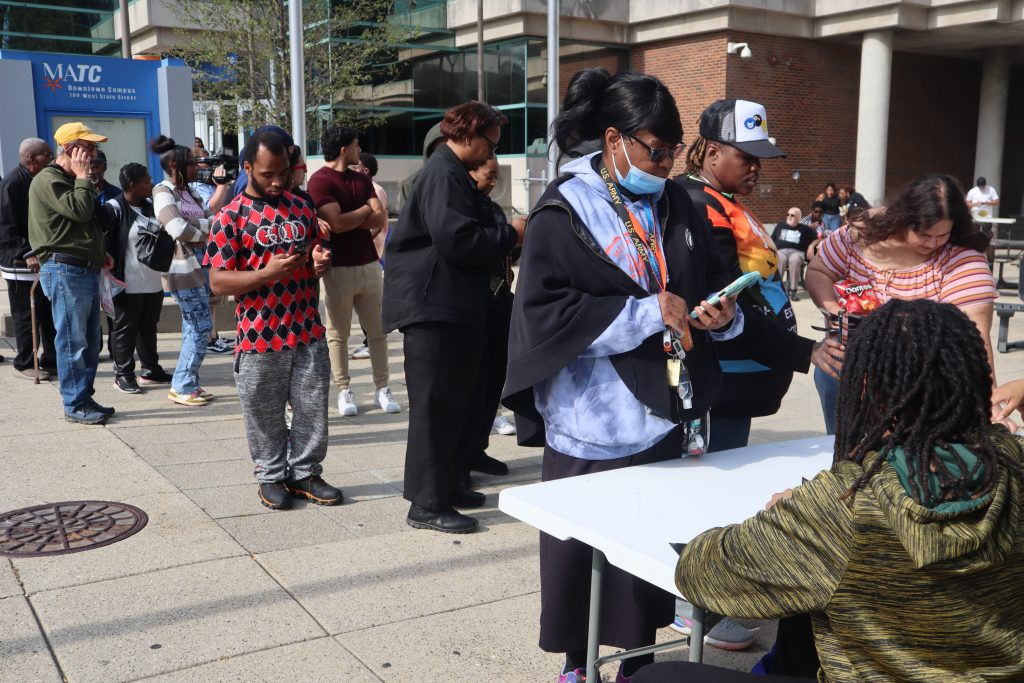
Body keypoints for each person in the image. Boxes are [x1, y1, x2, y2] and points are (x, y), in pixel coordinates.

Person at [634, 298, 1024, 683]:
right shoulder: (1014, 462)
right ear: (973, 376)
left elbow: (702, 575)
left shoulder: (842, 507)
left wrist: (787, 519)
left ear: (865, 386)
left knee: (655, 676)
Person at [501, 69, 739, 683]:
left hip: (659, 407)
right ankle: (577, 664)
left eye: (671, 154)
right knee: (580, 552)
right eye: (654, 152)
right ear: (614, 139)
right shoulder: (565, 208)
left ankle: (634, 659)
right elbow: (548, 313)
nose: (664, 166)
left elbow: (699, 279)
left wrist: (717, 312)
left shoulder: (678, 199)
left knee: (641, 554)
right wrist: (643, 313)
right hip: (592, 414)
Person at [675, 98, 843, 651]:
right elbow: (725, 302)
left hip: (744, 377)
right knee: (707, 494)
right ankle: (692, 604)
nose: (755, 167)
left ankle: (706, 596)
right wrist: (803, 352)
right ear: (710, 150)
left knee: (722, 488)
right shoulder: (696, 206)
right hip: (720, 375)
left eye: (761, 158)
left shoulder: (724, 201)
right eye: (745, 155)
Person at [384, 101, 521, 535]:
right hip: (433, 309)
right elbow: (457, 239)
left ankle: (446, 487)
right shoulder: (442, 174)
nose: (492, 154)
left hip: (452, 306)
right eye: (489, 144)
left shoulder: (451, 175)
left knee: (453, 406)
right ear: (465, 135)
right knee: (434, 410)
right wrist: (509, 234)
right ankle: (426, 504)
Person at [206, 128, 341, 510]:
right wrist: (266, 273)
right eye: (268, 174)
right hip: (260, 335)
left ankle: (305, 474)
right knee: (263, 411)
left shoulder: (302, 208)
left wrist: (319, 262)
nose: (278, 181)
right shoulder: (229, 218)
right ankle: (270, 476)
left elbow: (315, 254)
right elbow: (217, 280)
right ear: (247, 168)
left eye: (284, 172)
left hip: (306, 330)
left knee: (312, 407)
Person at [806, 173, 998, 434]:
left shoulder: (962, 258)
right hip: (842, 372)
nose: (932, 244)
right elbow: (819, 271)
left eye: (942, 235)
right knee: (844, 456)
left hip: (915, 388)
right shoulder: (861, 233)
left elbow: (976, 336)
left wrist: (987, 401)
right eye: (923, 234)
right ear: (901, 219)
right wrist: (835, 312)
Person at [307, 126, 399, 416]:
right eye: (357, 145)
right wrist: (362, 211)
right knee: (338, 334)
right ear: (344, 148)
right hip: (338, 269)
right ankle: (344, 389)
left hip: (370, 264)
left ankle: (382, 388)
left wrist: (353, 216)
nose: (361, 150)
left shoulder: (361, 178)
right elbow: (336, 223)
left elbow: (380, 216)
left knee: (378, 332)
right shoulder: (319, 181)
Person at [28, 122, 115, 424]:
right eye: (88, 147)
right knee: (72, 339)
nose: (93, 154)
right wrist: (82, 177)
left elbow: (84, 223)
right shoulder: (49, 179)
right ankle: (74, 403)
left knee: (90, 340)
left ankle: (83, 397)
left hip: (82, 268)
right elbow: (79, 211)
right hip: (65, 268)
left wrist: (100, 251)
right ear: (69, 149)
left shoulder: (70, 179)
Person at [151, 135, 221, 406]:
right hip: (182, 269)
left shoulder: (188, 192)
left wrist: (200, 231)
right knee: (201, 324)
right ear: (174, 166)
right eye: (191, 163)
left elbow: (212, 220)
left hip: (199, 265)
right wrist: (204, 232)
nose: (197, 167)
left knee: (194, 324)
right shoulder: (162, 191)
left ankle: (188, 382)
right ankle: (182, 385)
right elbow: (176, 228)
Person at [465, 156, 523, 477]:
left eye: (497, 176)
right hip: (477, 304)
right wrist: (509, 236)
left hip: (501, 299)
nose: (493, 182)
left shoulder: (492, 207)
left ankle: (478, 448)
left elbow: (504, 249)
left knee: (494, 379)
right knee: (473, 385)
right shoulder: (465, 207)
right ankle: (464, 452)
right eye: (489, 175)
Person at [104, 163, 172, 393]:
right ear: (132, 185)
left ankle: (151, 370)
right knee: (125, 329)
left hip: (152, 281)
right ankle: (123, 374)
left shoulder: (153, 207)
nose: (150, 184)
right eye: (146, 181)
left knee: (148, 327)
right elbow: (106, 247)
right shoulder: (114, 209)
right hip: (126, 282)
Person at [0, 138, 56, 378]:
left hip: (43, 258)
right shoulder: (13, 183)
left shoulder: (40, 179)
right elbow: (5, 226)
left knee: (48, 314)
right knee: (26, 315)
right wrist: (26, 251)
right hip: (19, 260)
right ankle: (25, 362)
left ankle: (51, 358)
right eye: (46, 154)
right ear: (30, 158)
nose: (51, 158)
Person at [349, 151, 388, 361]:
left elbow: (378, 221)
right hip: (364, 252)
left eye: (356, 167)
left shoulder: (376, 191)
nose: (353, 170)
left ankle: (370, 343)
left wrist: (361, 239)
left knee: (370, 304)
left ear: (365, 170)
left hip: (373, 252)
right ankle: (368, 342)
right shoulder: (364, 189)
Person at [771, 207, 817, 300]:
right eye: (788, 214)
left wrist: (811, 246)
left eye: (792, 215)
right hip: (781, 251)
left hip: (797, 252)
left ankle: (793, 291)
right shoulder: (780, 225)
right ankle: (778, 290)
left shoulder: (805, 229)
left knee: (795, 259)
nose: (789, 217)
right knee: (780, 258)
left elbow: (817, 239)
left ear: (799, 218)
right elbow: (772, 239)